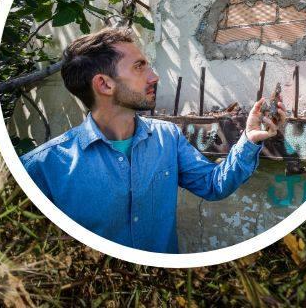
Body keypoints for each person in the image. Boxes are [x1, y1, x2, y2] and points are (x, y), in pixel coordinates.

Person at [20, 26, 286, 253]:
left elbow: (214, 185)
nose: (154, 77)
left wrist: (249, 140)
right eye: (139, 67)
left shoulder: (166, 137)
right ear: (104, 84)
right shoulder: (39, 169)